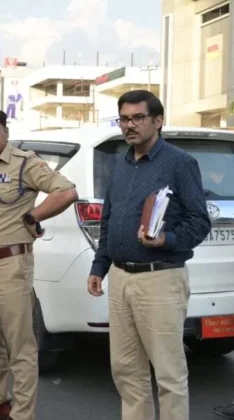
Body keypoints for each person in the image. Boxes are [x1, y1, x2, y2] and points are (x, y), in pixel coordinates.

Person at [87, 90, 211, 420]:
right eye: (124, 119)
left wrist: (166, 239)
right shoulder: (121, 164)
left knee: (169, 373)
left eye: (138, 118)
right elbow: (108, 220)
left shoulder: (180, 163)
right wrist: (99, 266)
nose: (129, 125)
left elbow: (200, 222)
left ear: (158, 121)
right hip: (120, 278)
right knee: (126, 370)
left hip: (161, 278)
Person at [0, 107, 78, 420]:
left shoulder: (24, 163)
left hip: (11, 265)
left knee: (19, 344)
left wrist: (33, 216)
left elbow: (66, 191)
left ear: (5, 132)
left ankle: (22, 413)